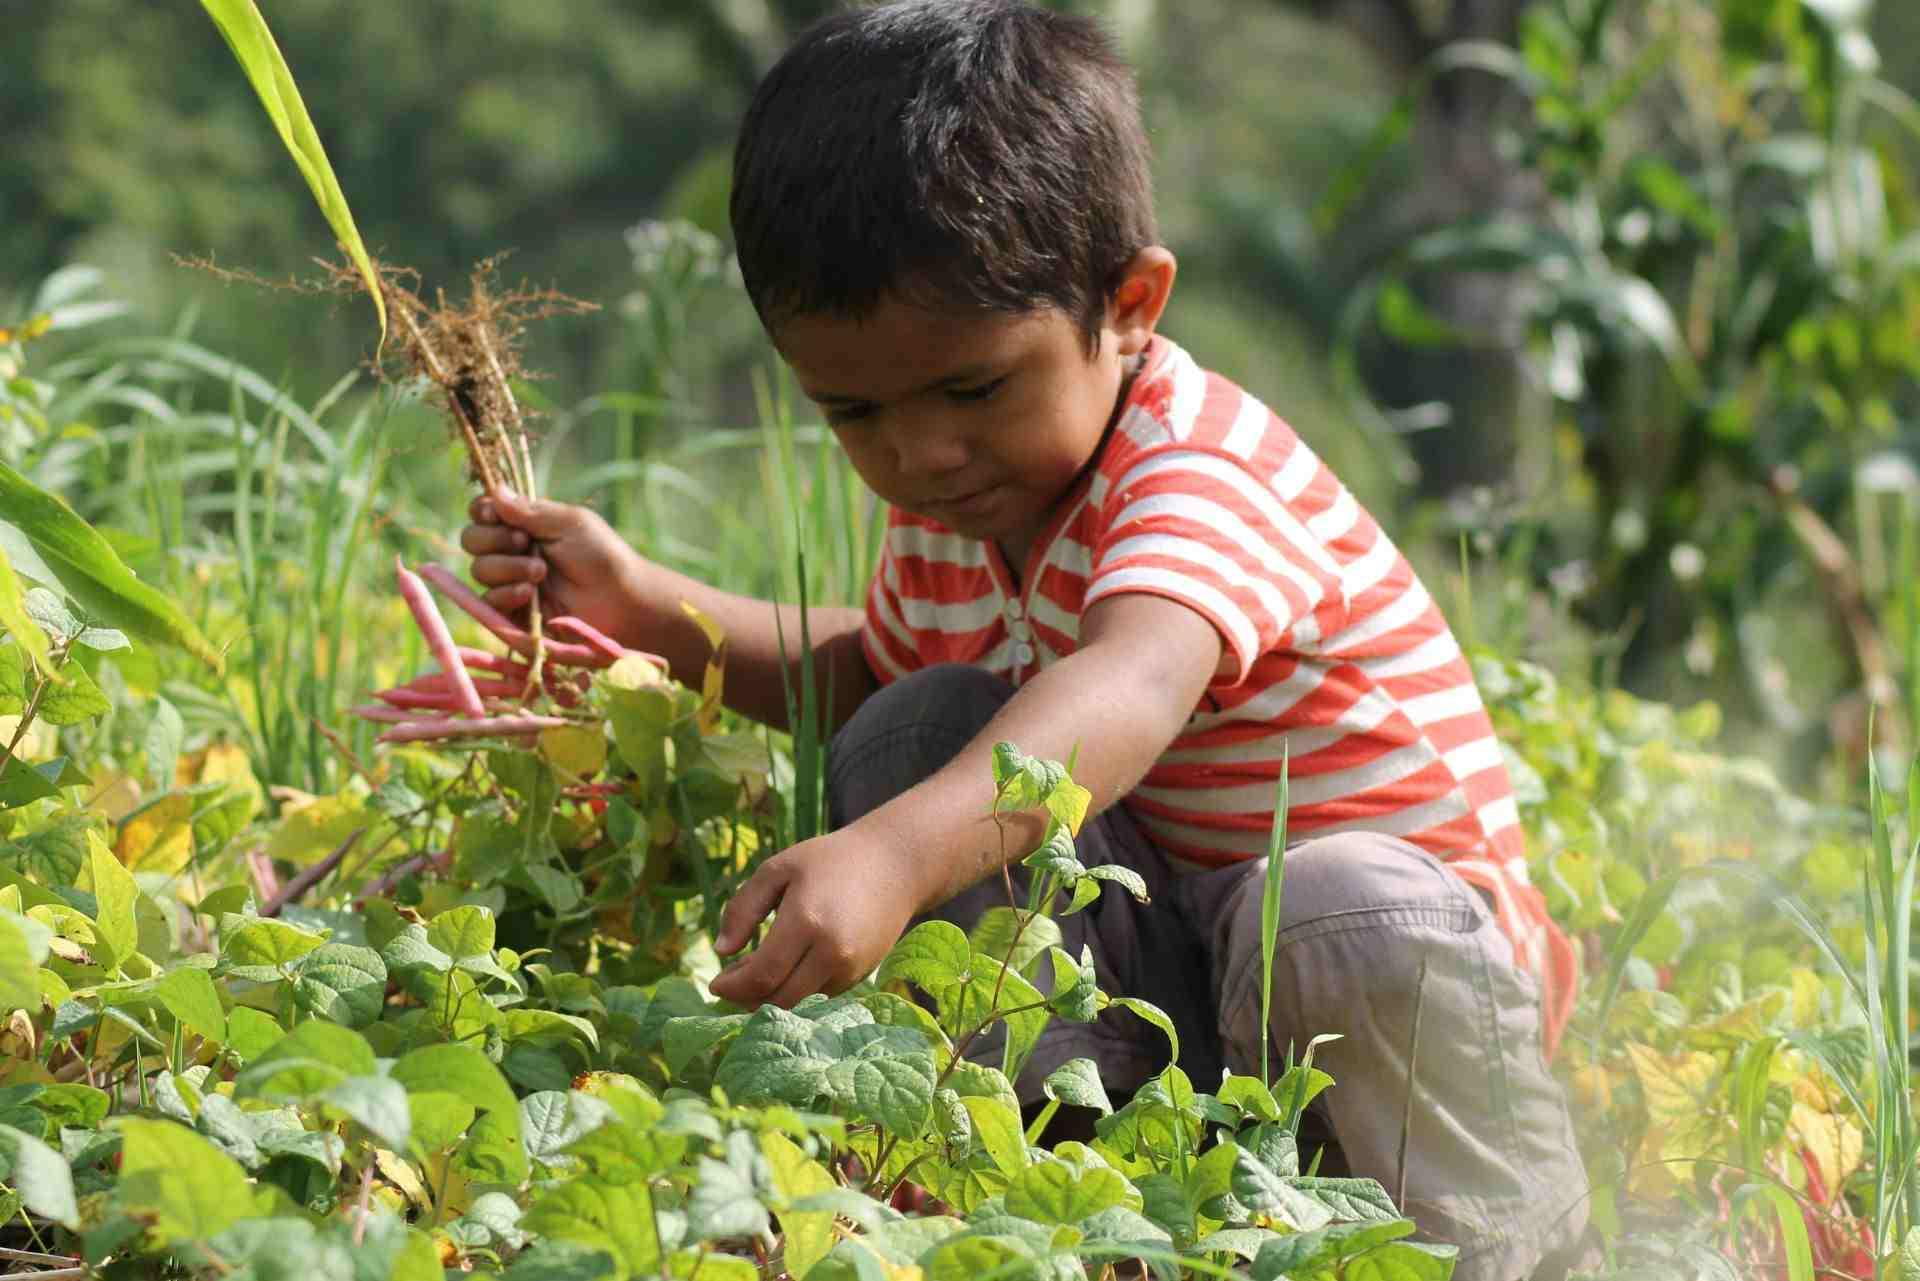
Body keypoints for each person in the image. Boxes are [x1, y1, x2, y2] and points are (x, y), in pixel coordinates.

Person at [461, 2, 1588, 1275]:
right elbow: (870, 672)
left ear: (1131, 304)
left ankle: (1512, 1248)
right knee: (921, 731)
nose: (918, 452)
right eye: (855, 412)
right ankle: (1081, 1212)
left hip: (1396, 1004)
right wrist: (651, 613)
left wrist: (890, 860)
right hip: (1198, 982)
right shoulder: (968, 496)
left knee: (1321, 906)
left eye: (973, 388)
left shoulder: (1195, 467)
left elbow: (1131, 677)